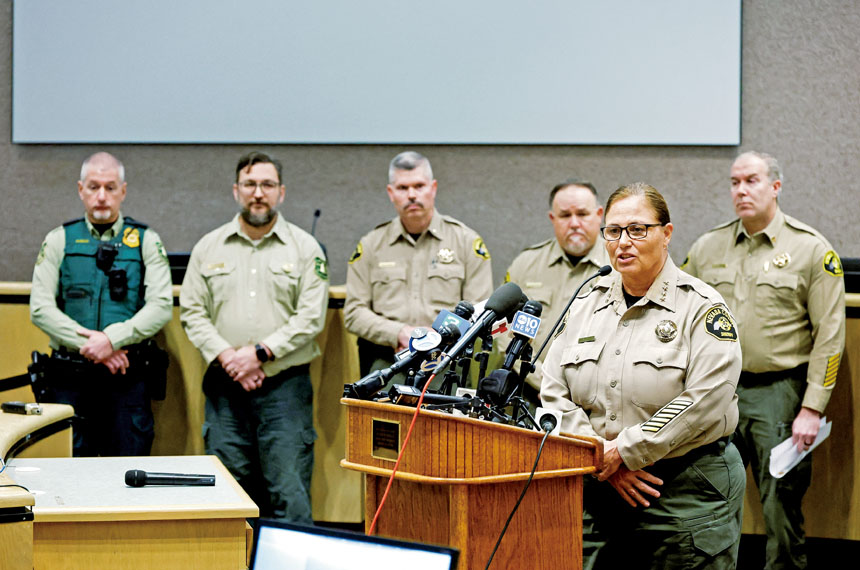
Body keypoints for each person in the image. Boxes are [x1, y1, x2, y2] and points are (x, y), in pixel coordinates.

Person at [542, 182, 745, 569]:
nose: (623, 242)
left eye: (637, 229)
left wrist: (625, 452)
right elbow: (553, 390)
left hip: (683, 487)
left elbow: (706, 399)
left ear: (666, 234)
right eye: (614, 231)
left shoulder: (701, 307)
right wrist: (599, 455)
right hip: (597, 483)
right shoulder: (586, 303)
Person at [683, 151, 845, 569]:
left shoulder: (810, 249)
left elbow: (830, 337)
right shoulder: (707, 247)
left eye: (751, 181)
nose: (741, 190)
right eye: (734, 182)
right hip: (718, 390)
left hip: (779, 392)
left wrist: (812, 407)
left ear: (775, 186)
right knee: (709, 496)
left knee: (780, 503)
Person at [180, 151, 329, 522]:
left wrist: (259, 354)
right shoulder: (208, 247)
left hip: (284, 388)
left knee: (289, 490)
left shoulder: (304, 248)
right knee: (227, 491)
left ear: (281, 192)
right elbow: (192, 312)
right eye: (250, 184)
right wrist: (230, 358)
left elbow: (311, 317)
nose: (258, 193)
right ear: (236, 191)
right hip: (225, 385)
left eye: (267, 185)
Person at [29, 152, 173, 457]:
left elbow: (161, 306)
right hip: (69, 380)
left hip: (126, 380)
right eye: (94, 187)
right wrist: (94, 347)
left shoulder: (146, 240)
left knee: (125, 472)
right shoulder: (59, 239)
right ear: (81, 189)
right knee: (67, 472)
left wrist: (111, 340)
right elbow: (40, 308)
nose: (102, 196)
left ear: (123, 191)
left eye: (110, 187)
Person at [345, 151, 493, 376]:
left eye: (419, 186)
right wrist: (399, 333)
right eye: (403, 188)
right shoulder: (371, 245)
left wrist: (435, 339)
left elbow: (481, 312)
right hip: (386, 363)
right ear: (391, 193)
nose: (412, 195)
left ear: (433, 188)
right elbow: (354, 313)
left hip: (445, 364)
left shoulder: (466, 242)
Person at [502, 180, 609, 400]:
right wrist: (543, 382)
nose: (574, 223)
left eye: (582, 214)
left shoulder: (620, 265)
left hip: (595, 399)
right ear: (553, 219)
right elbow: (504, 331)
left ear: (599, 215)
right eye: (565, 215)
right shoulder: (526, 264)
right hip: (528, 393)